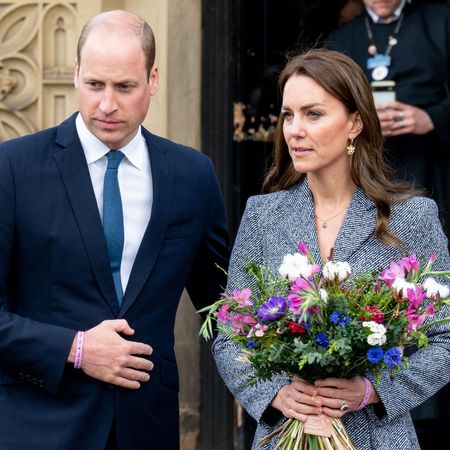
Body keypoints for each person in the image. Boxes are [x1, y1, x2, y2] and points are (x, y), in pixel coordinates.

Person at [0, 10, 229, 450]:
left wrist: (297, 376)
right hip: (37, 426)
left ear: (153, 79)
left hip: (147, 427)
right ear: (76, 75)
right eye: (95, 85)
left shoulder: (192, 175)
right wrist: (77, 348)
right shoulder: (13, 167)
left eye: (125, 87)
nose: (107, 104)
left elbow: (224, 311)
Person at [212, 48, 450, 450]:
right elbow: (229, 333)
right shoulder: (262, 214)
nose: (294, 129)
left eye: (313, 114)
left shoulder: (413, 218)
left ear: (355, 122)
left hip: (378, 438)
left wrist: (371, 389)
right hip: (283, 435)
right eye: (288, 114)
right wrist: (274, 393)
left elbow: (444, 340)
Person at [325, 0, 450, 243]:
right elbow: (326, 107)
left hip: (431, 166)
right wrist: (358, 121)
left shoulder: (441, 21)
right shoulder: (340, 40)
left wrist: (433, 118)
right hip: (367, 169)